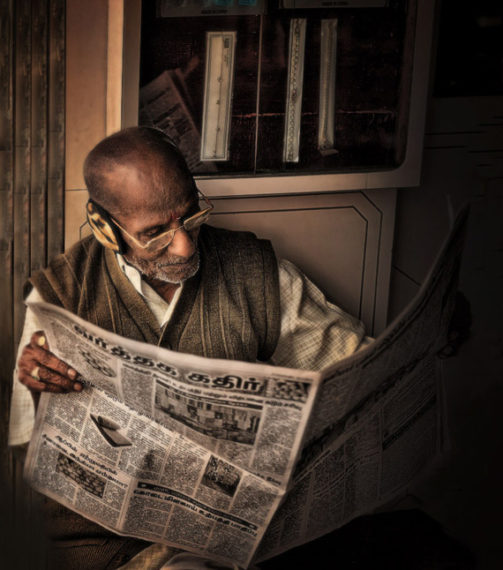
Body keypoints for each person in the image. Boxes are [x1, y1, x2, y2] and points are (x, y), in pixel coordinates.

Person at [9, 126, 371, 569]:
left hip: (227, 529)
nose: (183, 245)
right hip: (110, 546)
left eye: (191, 215)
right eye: (155, 231)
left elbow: (356, 364)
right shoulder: (59, 295)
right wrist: (35, 386)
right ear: (105, 228)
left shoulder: (254, 271)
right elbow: (26, 441)